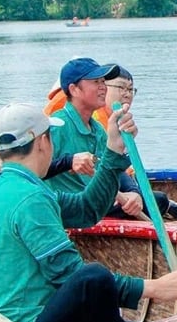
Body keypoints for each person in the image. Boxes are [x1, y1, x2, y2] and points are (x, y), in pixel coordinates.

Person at [0, 102, 177, 322]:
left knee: (94, 285)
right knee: (93, 277)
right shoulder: (31, 199)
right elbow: (68, 274)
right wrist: (153, 288)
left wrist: (113, 150)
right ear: (42, 142)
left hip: (9, 318)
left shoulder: (5, 187)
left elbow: (87, 208)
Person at [46, 58, 144, 221]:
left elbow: (111, 167)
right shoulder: (56, 126)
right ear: (74, 89)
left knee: (151, 200)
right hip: (70, 207)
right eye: (96, 82)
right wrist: (69, 162)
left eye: (103, 82)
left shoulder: (97, 129)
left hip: (94, 201)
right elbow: (32, 171)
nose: (103, 87)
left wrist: (134, 193)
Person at [95, 69, 177, 220]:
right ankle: (170, 206)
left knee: (151, 197)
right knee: (159, 200)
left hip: (122, 187)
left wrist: (133, 191)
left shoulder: (119, 120)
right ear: (103, 88)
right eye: (121, 88)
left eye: (130, 89)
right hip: (105, 194)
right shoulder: (97, 122)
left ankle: (168, 205)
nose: (127, 94)